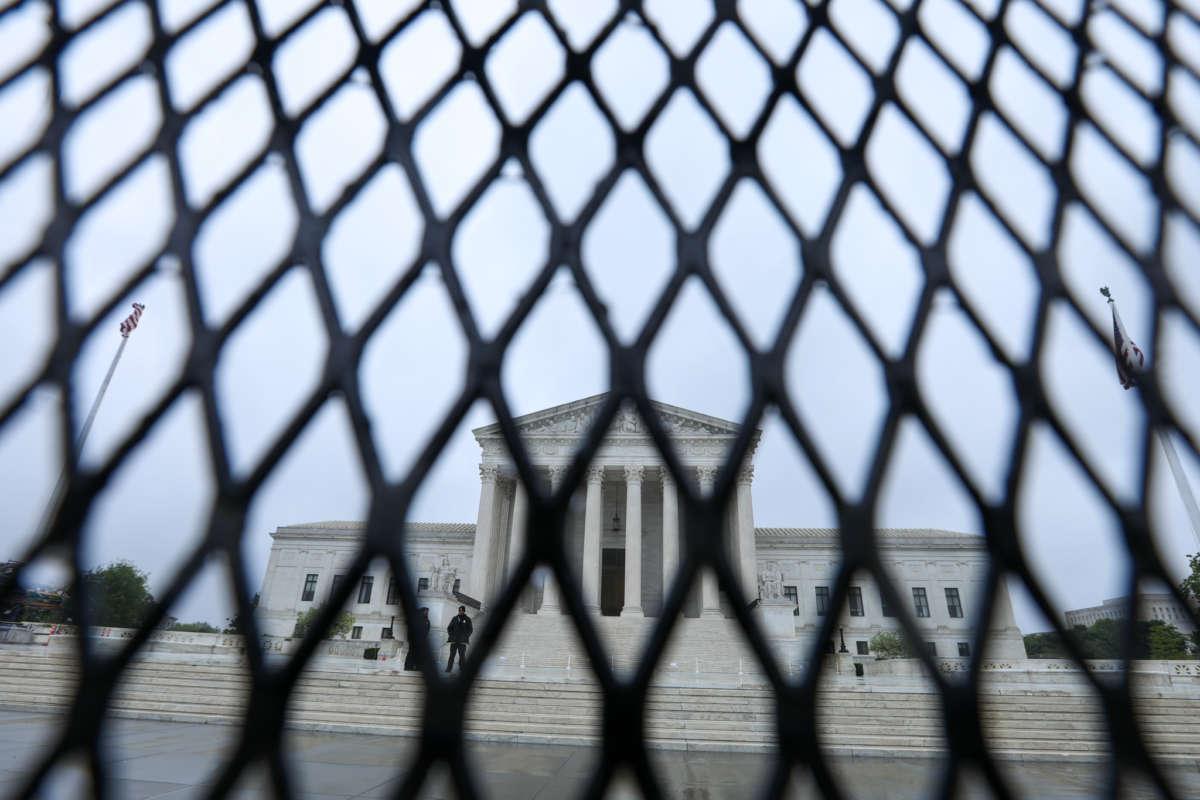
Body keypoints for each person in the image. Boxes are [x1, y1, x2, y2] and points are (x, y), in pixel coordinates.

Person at [446, 605, 472, 673]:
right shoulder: (454, 618)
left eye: (462, 610)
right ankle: (449, 669)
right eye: (459, 610)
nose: (460, 612)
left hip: (462, 641)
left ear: (464, 611)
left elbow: (470, 629)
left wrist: (466, 636)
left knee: (462, 656)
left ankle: (462, 669)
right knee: (452, 655)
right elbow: (449, 628)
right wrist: (451, 635)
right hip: (454, 641)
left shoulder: (467, 619)